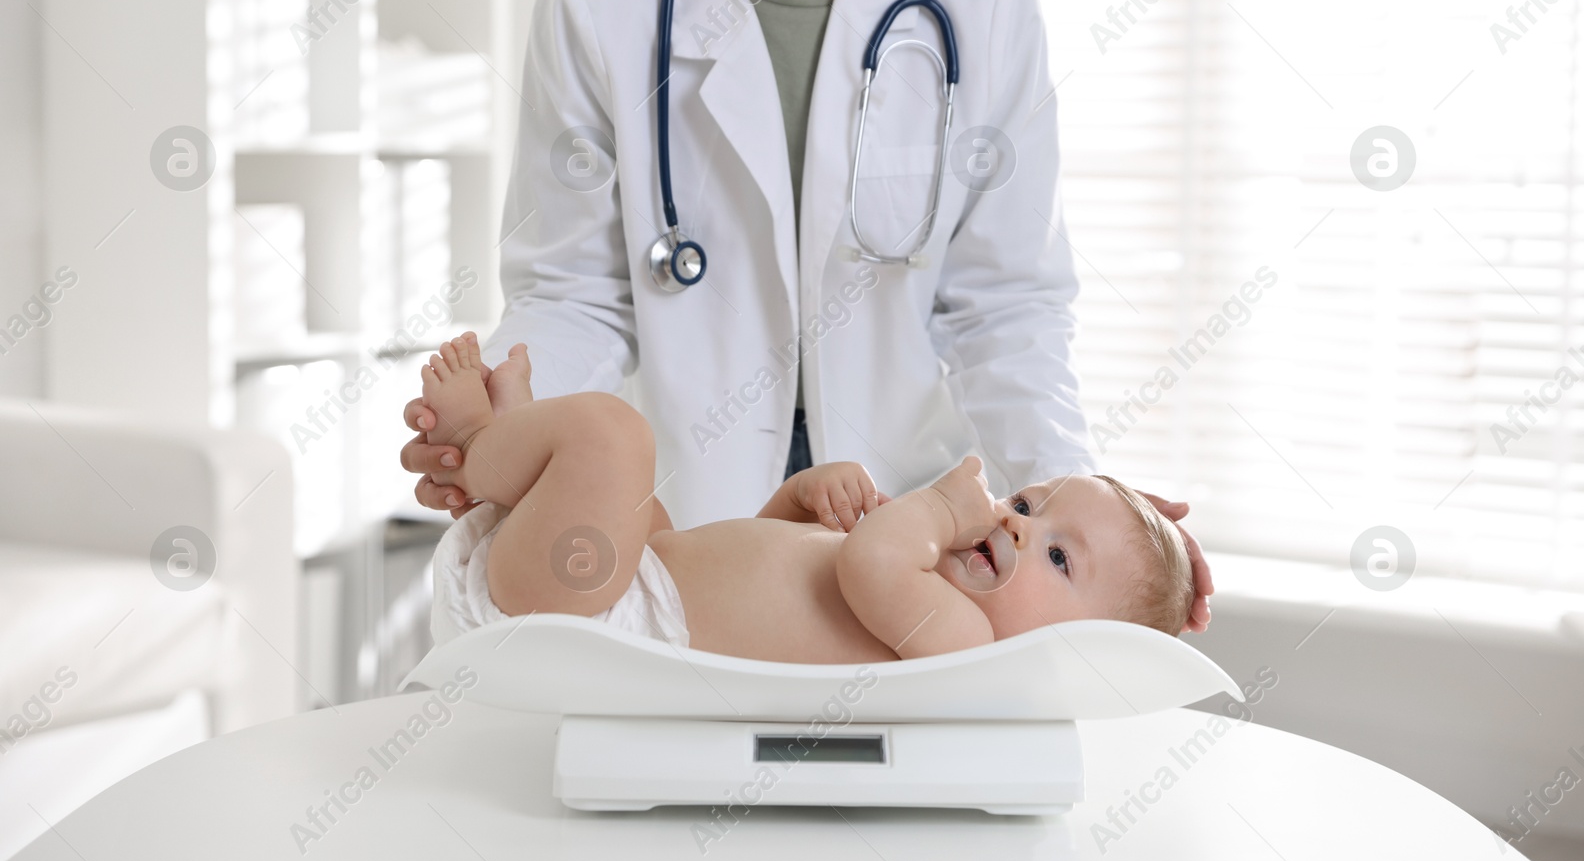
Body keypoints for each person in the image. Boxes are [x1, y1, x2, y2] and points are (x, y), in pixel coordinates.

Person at [401, 0, 1213, 631]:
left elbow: (1006, 313)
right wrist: (509, 440)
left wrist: (1090, 522)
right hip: (689, 533)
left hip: (925, 554)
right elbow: (576, 296)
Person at [424, 333, 1192, 660]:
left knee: (616, 437)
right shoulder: (929, 595)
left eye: (1058, 554)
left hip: (594, 617)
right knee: (640, 495)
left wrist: (935, 507)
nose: (1020, 526)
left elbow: (872, 565)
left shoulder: (968, 646)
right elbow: (753, 573)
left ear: (1076, 652)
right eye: (1026, 505)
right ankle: (513, 442)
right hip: (630, 583)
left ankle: (480, 445)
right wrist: (796, 502)